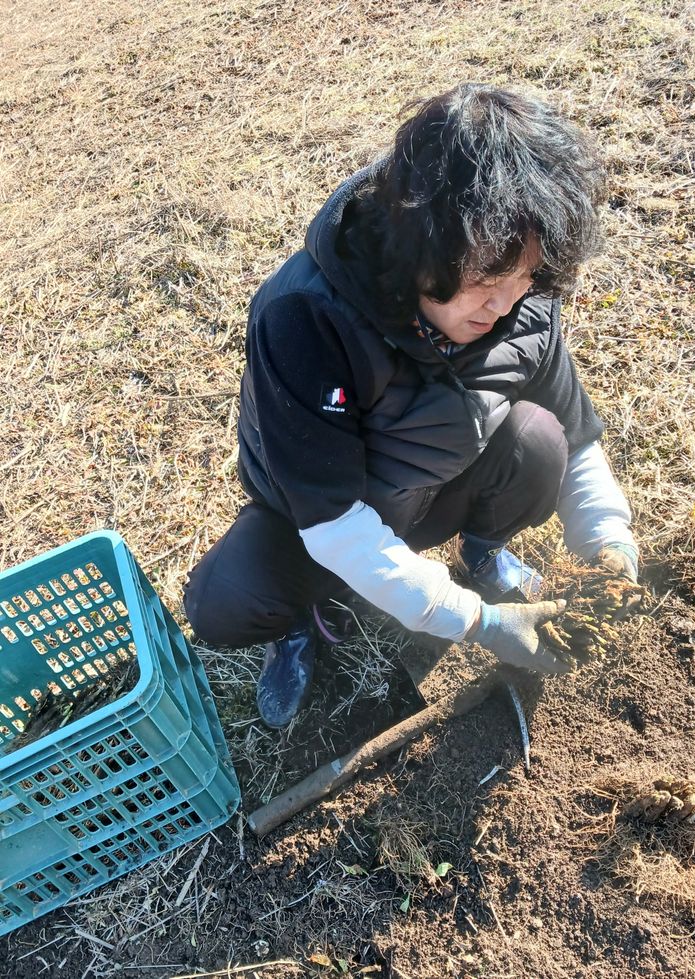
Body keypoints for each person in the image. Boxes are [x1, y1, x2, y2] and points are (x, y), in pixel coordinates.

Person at [183, 83, 639, 727]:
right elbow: (335, 524)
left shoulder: (524, 294)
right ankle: (300, 625)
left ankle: (482, 553)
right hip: (323, 513)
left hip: (440, 483)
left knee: (540, 440)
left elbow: (577, 433)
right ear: (423, 248)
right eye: (487, 280)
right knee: (223, 604)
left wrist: (609, 543)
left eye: (525, 278)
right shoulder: (304, 316)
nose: (504, 305)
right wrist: (476, 622)